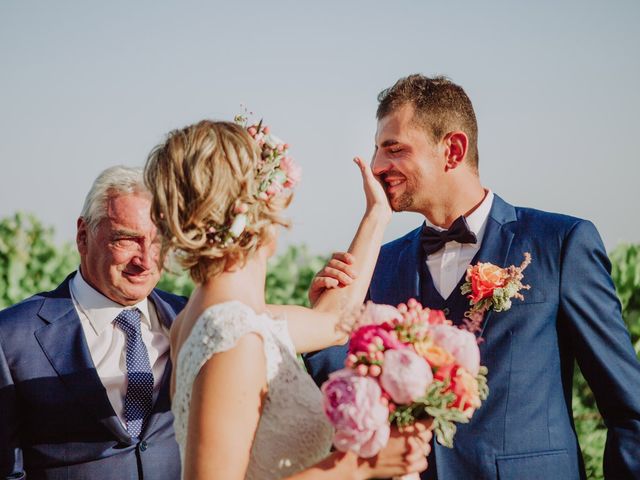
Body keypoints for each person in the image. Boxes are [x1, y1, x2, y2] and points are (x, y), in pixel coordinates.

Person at [304, 74, 640, 479]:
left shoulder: (561, 244)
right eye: (377, 150)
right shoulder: (381, 264)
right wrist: (325, 320)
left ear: (453, 150)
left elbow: (629, 410)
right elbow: (353, 401)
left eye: (394, 149)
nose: (377, 167)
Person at [143, 119, 432, 480]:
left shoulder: (217, 315)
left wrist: (377, 215)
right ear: (253, 208)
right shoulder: (234, 337)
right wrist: (356, 467)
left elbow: (333, 322)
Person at [0, 166, 186, 480]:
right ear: (83, 236)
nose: (145, 260)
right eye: (127, 240)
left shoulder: (190, 318)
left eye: (157, 242)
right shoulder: (11, 337)